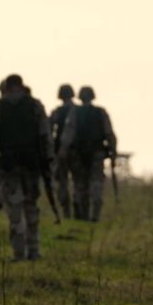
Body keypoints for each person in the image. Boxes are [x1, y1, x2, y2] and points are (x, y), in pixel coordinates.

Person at [0, 74, 53, 261]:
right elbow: (45, 135)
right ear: (22, 86)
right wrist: (47, 160)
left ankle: (19, 253)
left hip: (8, 166)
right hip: (32, 165)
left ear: (6, 87)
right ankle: (34, 250)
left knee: (15, 210)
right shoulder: (36, 105)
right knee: (31, 207)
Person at [60, 86, 117, 222]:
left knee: (79, 184)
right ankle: (94, 215)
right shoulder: (100, 112)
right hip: (96, 153)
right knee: (96, 182)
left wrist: (63, 150)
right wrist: (112, 150)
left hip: (78, 154)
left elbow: (68, 134)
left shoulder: (75, 112)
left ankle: (82, 214)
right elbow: (109, 133)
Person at [50, 84, 76, 218]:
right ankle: (80, 212)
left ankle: (67, 212)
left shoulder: (57, 112)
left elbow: (48, 130)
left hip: (60, 151)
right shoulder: (78, 110)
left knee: (62, 182)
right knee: (79, 182)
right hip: (77, 152)